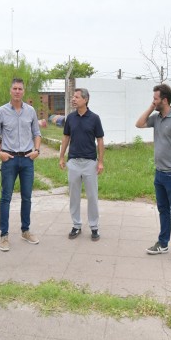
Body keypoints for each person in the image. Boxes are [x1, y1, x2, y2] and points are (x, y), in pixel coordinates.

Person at [135, 83, 171, 265]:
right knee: (163, 210)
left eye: (156, 99)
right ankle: (163, 243)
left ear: (164, 100)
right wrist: (152, 107)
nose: (153, 101)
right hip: (159, 174)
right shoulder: (157, 118)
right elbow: (139, 124)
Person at [0, 77, 41, 252]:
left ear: (23, 91)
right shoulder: (2, 112)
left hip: (27, 159)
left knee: (27, 197)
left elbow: (37, 133)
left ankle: (25, 231)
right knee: (6, 198)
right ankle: (4, 236)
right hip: (9, 159)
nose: (17, 91)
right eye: (15, 89)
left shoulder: (31, 111)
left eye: (20, 89)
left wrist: (37, 151)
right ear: (10, 91)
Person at [59, 88, 105, 240]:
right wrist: (61, 158)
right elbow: (66, 138)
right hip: (73, 162)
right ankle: (76, 225)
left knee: (92, 196)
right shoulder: (70, 118)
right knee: (74, 196)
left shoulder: (94, 118)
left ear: (85, 100)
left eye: (77, 97)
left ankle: (94, 227)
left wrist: (100, 162)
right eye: (73, 97)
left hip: (90, 163)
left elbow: (100, 140)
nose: (73, 99)